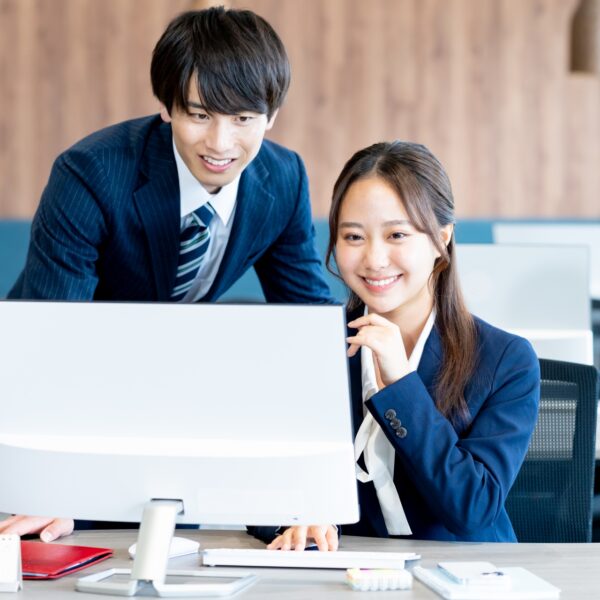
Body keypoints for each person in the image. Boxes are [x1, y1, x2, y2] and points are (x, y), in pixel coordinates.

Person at [1, 6, 331, 542]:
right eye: (199, 114)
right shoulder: (92, 173)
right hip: (67, 387)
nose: (220, 143)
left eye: (243, 118)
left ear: (272, 115)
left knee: (174, 540)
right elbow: (54, 340)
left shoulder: (284, 178)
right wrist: (54, 485)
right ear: (167, 105)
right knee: (67, 541)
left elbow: (309, 327)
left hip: (171, 396)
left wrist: (312, 486)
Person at [263, 141, 540, 550]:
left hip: (465, 572)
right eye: (353, 236)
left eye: (396, 235)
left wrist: (402, 386)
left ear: (441, 239)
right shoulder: (312, 347)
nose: (374, 259)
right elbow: (259, 489)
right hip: (345, 570)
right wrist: (296, 517)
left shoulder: (505, 360)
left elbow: (472, 509)